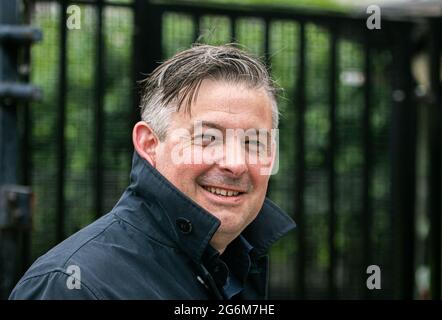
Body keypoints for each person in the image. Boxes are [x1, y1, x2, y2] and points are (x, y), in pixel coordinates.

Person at [9, 44, 296, 300]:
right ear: (149, 145)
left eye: (253, 142)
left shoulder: (236, 268)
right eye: (208, 138)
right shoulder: (71, 287)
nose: (236, 163)